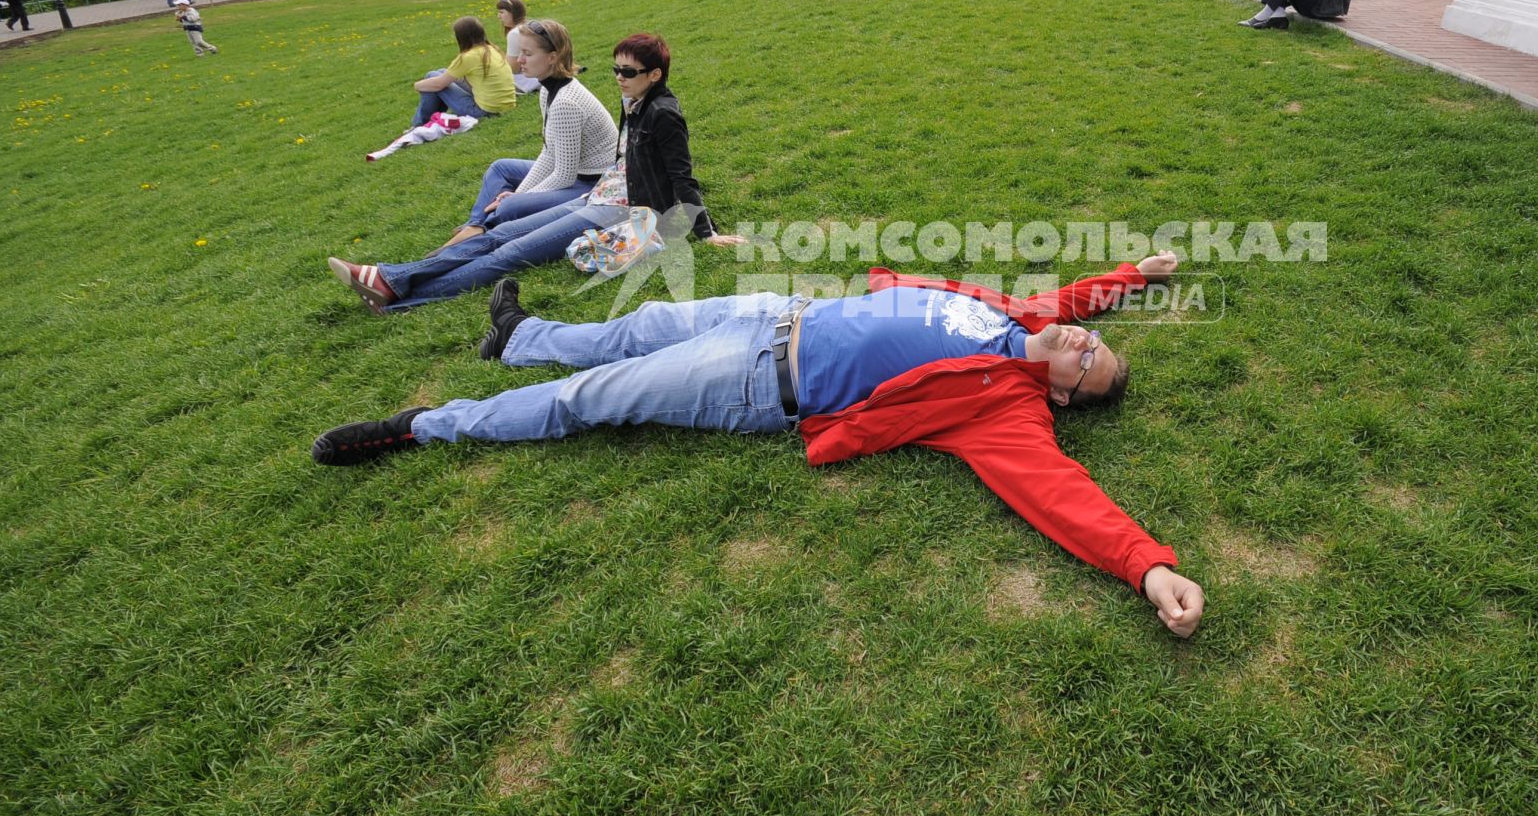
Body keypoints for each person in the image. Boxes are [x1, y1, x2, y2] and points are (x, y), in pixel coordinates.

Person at [310, 251, 1207, 638]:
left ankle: (422, 424)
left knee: (593, 398)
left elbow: (1060, 496)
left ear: (1063, 395)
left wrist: (1146, 564)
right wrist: (1136, 278)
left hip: (757, 382)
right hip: (779, 311)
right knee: (639, 323)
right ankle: (519, 335)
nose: (1083, 345)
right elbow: (1081, 299)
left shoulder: (1007, 416)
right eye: (1092, 342)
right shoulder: (1028, 319)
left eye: (1087, 365)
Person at [328, 33, 744, 313]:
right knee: (499, 236)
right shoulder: (635, 99)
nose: (618, 78)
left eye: (628, 72)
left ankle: (394, 293)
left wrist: (706, 232)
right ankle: (390, 278)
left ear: (654, 75)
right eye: (615, 69)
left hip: (623, 210)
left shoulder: (663, 114)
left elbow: (682, 177)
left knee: (508, 255)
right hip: (600, 194)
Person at [448, 19, 618, 246]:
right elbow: (549, 154)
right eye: (520, 52)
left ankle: (485, 226)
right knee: (500, 167)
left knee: (510, 205)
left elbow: (564, 176)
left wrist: (520, 196)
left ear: (552, 57)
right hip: (573, 175)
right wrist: (524, 191)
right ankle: (476, 226)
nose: (519, 60)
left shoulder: (566, 102)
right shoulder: (547, 90)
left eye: (527, 53)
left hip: (591, 184)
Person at [410, 16, 517, 126]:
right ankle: (429, 119)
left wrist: (416, 85)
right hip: (506, 106)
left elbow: (438, 85)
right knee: (441, 72)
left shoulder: (468, 57)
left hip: (483, 112)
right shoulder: (492, 49)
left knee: (431, 76)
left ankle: (419, 124)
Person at [495, 0, 543, 95]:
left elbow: (512, 69)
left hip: (531, 76)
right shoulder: (530, 25)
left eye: (501, 12)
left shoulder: (515, 33)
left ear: (513, 13)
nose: (498, 16)